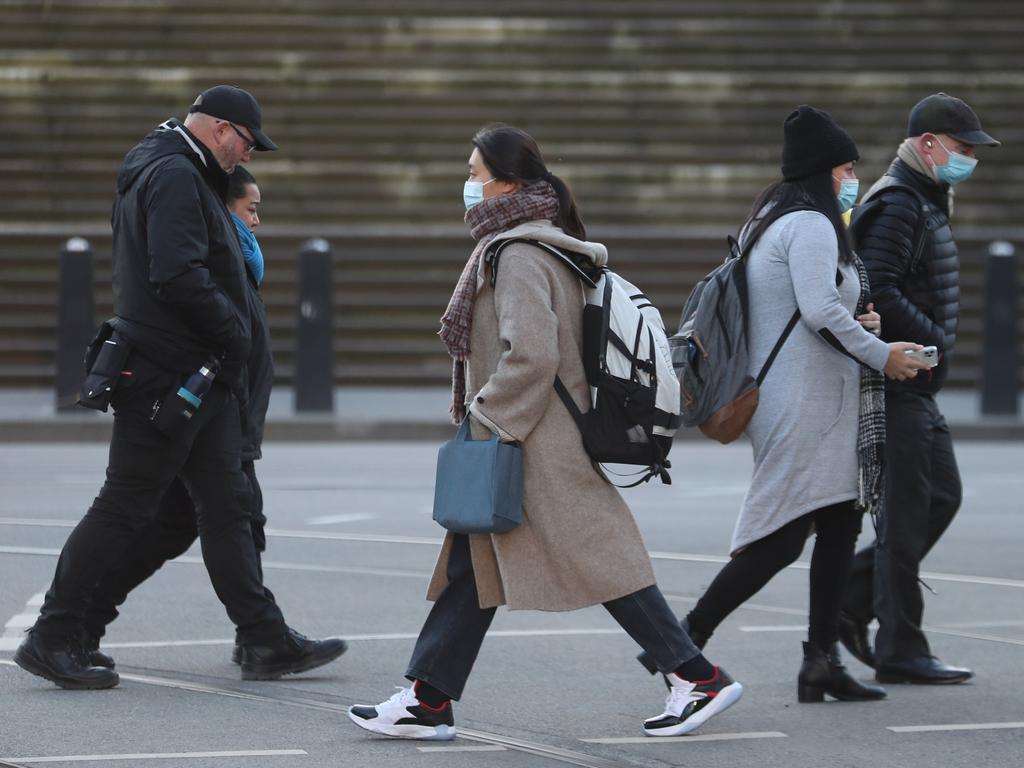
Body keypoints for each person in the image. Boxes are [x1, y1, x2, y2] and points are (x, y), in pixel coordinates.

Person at [347, 125, 743, 741]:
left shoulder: (519, 253)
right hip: (539, 435)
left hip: (530, 440)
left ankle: (696, 675)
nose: (469, 185)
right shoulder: (547, 245)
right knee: (477, 563)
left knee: (601, 563)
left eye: (476, 173)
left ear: (509, 182)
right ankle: (428, 698)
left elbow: (530, 356)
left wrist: (487, 420)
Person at [15, 86, 345, 690]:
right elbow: (176, 273)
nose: (245, 156)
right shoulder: (173, 173)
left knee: (227, 505)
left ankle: (264, 637)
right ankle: (54, 634)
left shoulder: (174, 165)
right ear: (221, 129)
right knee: (124, 505)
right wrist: (233, 330)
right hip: (169, 372)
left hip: (197, 372)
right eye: (245, 142)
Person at [639, 106, 929, 703]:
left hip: (815, 399)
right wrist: (882, 354)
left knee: (840, 523)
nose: (852, 178)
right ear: (824, 170)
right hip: (804, 405)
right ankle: (679, 643)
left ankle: (820, 661)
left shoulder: (771, 220)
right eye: (847, 168)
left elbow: (810, 309)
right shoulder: (811, 226)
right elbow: (820, 312)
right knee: (782, 534)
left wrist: (861, 321)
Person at [76, 166, 293, 675]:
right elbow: (225, 345)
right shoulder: (218, 267)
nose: (257, 221)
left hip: (224, 418)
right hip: (212, 414)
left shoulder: (235, 266)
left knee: (178, 524)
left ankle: (259, 635)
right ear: (223, 210)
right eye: (250, 208)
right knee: (219, 517)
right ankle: (261, 637)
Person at [839, 93, 999, 685]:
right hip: (899, 378)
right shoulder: (901, 202)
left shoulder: (926, 198)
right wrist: (932, 340)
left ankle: (851, 602)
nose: (968, 160)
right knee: (904, 521)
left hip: (920, 381)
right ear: (928, 145)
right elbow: (875, 284)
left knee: (940, 499)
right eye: (961, 149)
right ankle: (901, 648)